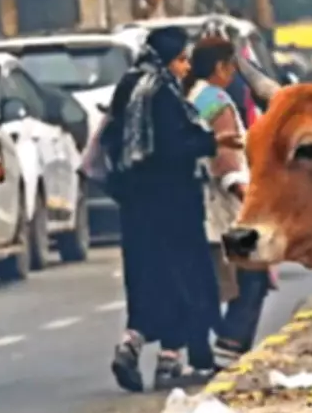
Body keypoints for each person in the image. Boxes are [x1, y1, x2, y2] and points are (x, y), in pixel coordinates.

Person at [101, 26, 242, 392]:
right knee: (185, 281)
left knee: (148, 282)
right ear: (167, 59)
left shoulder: (129, 86)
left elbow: (112, 141)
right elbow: (172, 145)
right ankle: (153, 356)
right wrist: (213, 141)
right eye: (180, 59)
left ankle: (150, 354)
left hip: (136, 208)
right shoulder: (162, 92)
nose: (184, 68)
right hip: (173, 206)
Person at [187, 31, 275, 368]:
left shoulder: (190, 94)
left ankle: (207, 350)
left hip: (200, 204)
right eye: (231, 67)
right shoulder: (215, 101)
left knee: (215, 284)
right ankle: (230, 346)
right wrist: (245, 194)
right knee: (253, 277)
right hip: (225, 206)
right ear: (221, 67)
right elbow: (225, 154)